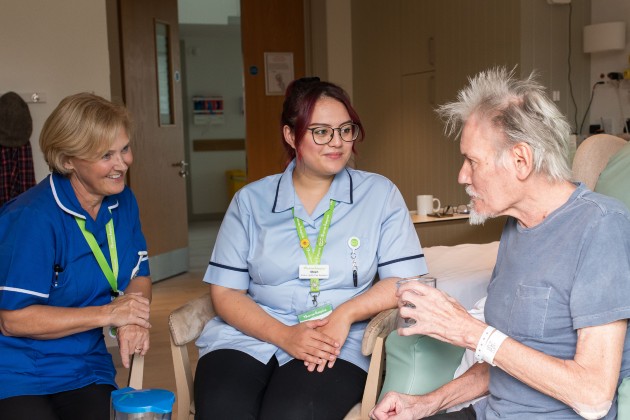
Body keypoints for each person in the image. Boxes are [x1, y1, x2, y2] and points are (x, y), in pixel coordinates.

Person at [371, 67, 630, 420]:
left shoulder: (601, 227)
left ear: (520, 160)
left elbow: (594, 396)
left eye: (472, 161)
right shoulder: (516, 228)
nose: (462, 175)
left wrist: (471, 332)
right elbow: (508, 364)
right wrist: (427, 403)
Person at [194, 77, 426, 420]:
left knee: (293, 413)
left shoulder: (380, 195)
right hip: (250, 334)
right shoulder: (251, 201)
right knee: (223, 409)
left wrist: (344, 315)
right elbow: (226, 291)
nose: (337, 142)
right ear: (291, 135)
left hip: (336, 341)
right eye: (321, 132)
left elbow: (404, 282)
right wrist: (284, 335)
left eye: (346, 130)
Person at [0, 93, 152, 420]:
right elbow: (13, 320)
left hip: (85, 366)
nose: (122, 163)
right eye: (106, 155)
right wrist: (109, 314)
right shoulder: (34, 217)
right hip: (16, 372)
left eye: (124, 149)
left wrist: (134, 315)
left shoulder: (122, 201)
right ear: (69, 161)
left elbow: (138, 274)